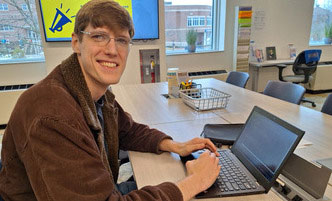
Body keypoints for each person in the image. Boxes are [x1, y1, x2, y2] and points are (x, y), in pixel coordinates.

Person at [0, 0, 220, 200]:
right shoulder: (52, 114)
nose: (113, 50)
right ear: (76, 43)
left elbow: (127, 130)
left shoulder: (93, 92)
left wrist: (175, 145)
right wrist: (194, 182)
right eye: (99, 36)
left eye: (122, 40)